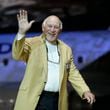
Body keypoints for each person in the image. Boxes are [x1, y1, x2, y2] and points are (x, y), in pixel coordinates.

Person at [12, 10, 95, 110]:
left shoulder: (66, 49)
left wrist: (85, 90)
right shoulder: (32, 43)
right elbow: (17, 55)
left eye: (56, 27)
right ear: (43, 28)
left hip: (56, 100)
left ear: (60, 30)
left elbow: (72, 73)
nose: (52, 30)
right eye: (49, 26)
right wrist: (21, 33)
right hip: (34, 99)